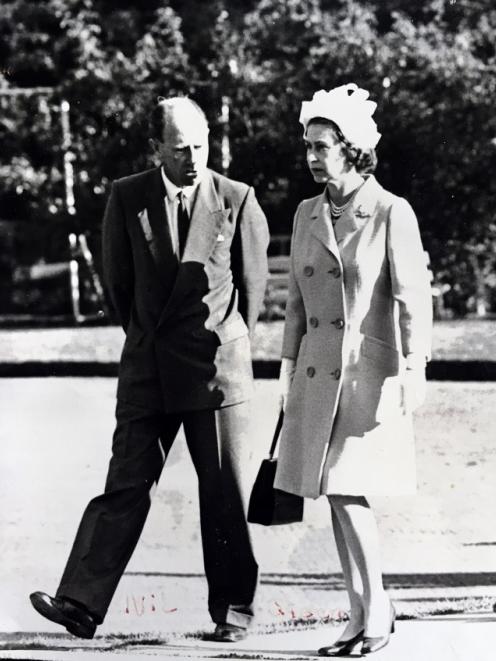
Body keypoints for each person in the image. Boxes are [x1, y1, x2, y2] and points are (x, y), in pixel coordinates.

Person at [30, 96, 269, 643]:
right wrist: (146, 343)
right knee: (124, 485)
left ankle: (233, 611)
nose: (192, 157)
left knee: (225, 494)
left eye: (200, 145)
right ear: (156, 146)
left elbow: (252, 294)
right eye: (180, 147)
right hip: (148, 370)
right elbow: (119, 289)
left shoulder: (237, 198)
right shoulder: (127, 196)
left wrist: (225, 343)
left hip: (215, 372)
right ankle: (81, 604)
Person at [275, 84, 432, 656]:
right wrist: (288, 366)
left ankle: (379, 610)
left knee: (347, 490)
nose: (311, 156)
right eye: (308, 146)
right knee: (334, 495)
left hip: (368, 378)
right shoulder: (305, 213)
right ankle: (360, 612)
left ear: (352, 148)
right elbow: (295, 297)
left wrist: (416, 366)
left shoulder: (391, 211)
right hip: (318, 374)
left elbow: (415, 295)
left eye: (322, 146)